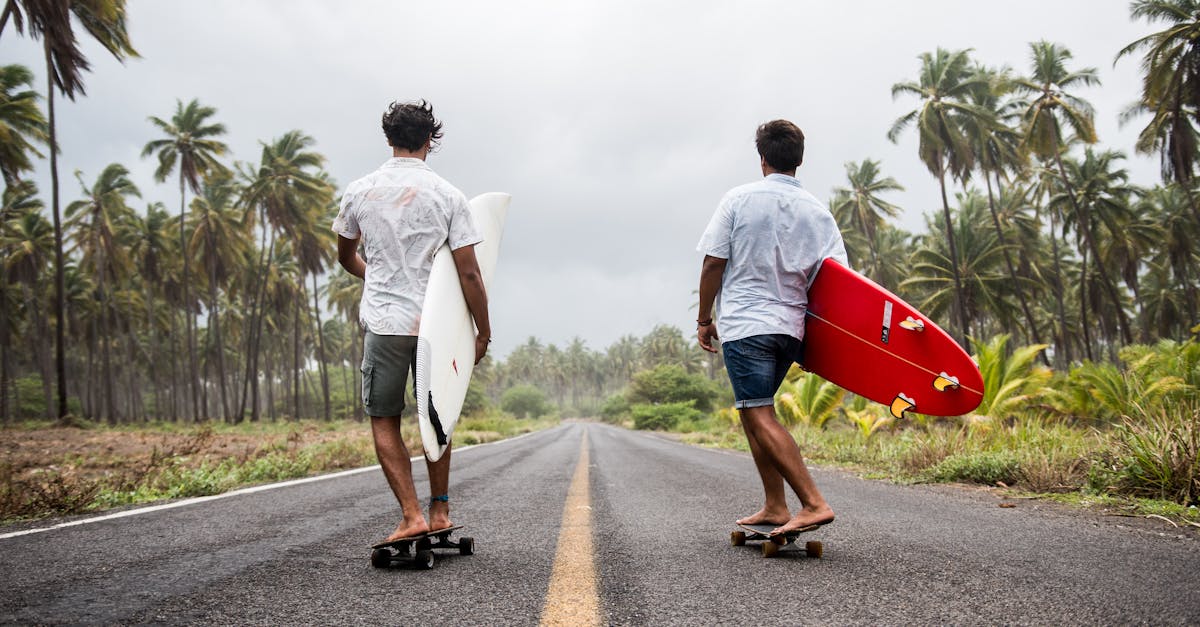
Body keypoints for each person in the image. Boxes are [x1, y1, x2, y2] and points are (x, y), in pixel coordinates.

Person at [333, 100, 491, 543]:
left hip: (385, 323)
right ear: (430, 140)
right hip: (436, 329)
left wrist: (375, 277)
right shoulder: (448, 195)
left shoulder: (360, 191)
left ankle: (410, 516)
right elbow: (469, 273)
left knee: (385, 419)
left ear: (389, 139)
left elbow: (346, 255)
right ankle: (439, 513)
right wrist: (483, 330)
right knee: (435, 414)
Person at [695, 119, 846, 535]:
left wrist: (704, 319)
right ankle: (775, 505)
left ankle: (813, 503)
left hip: (748, 325)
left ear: (762, 158)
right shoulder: (819, 212)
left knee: (758, 413)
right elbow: (836, 281)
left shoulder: (739, 200)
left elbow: (713, 262)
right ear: (799, 159)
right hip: (790, 329)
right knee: (753, 410)